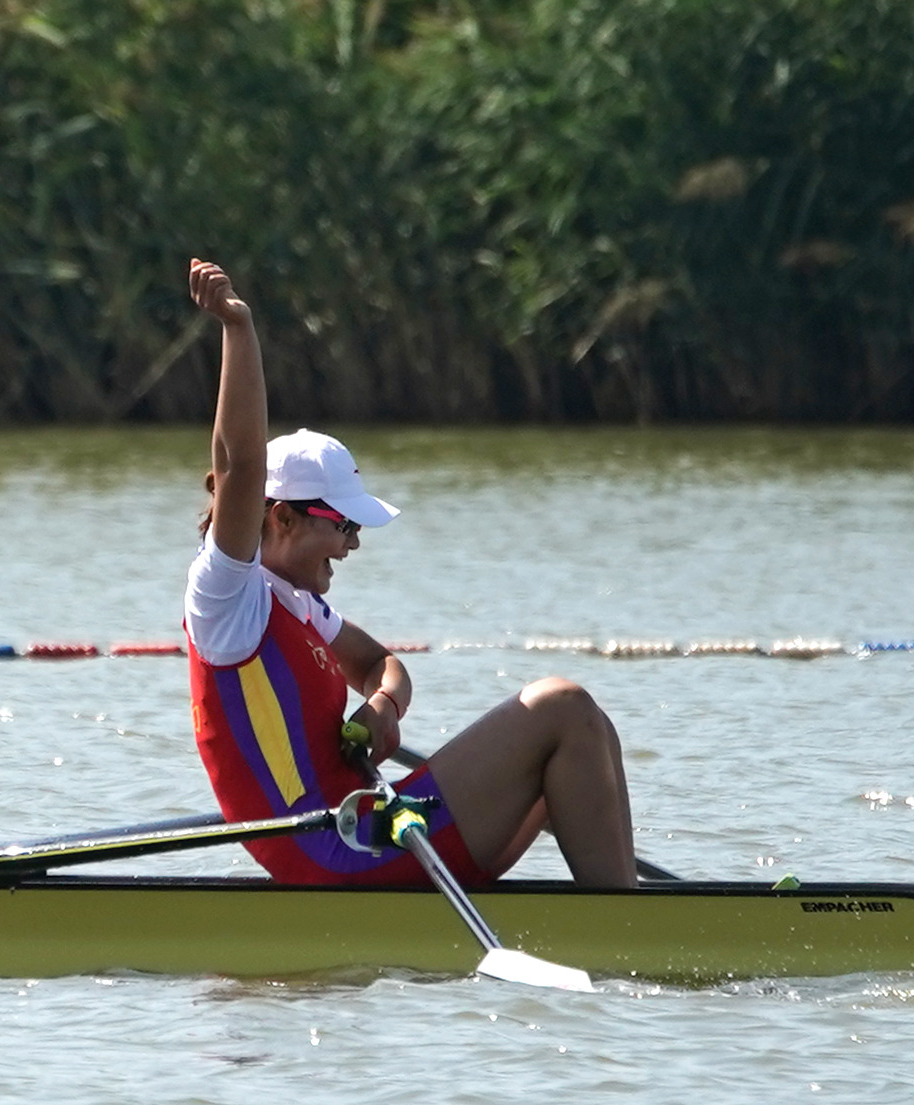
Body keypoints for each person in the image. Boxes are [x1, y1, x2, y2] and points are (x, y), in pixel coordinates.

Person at [182, 259, 636, 888]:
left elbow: (382, 665)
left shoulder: (300, 604)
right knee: (563, 708)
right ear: (282, 517)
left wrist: (382, 706)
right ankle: (627, 928)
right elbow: (238, 465)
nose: (351, 547)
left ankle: (624, 909)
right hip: (332, 853)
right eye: (344, 527)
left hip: (367, 826)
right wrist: (237, 327)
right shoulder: (228, 597)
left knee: (587, 735)